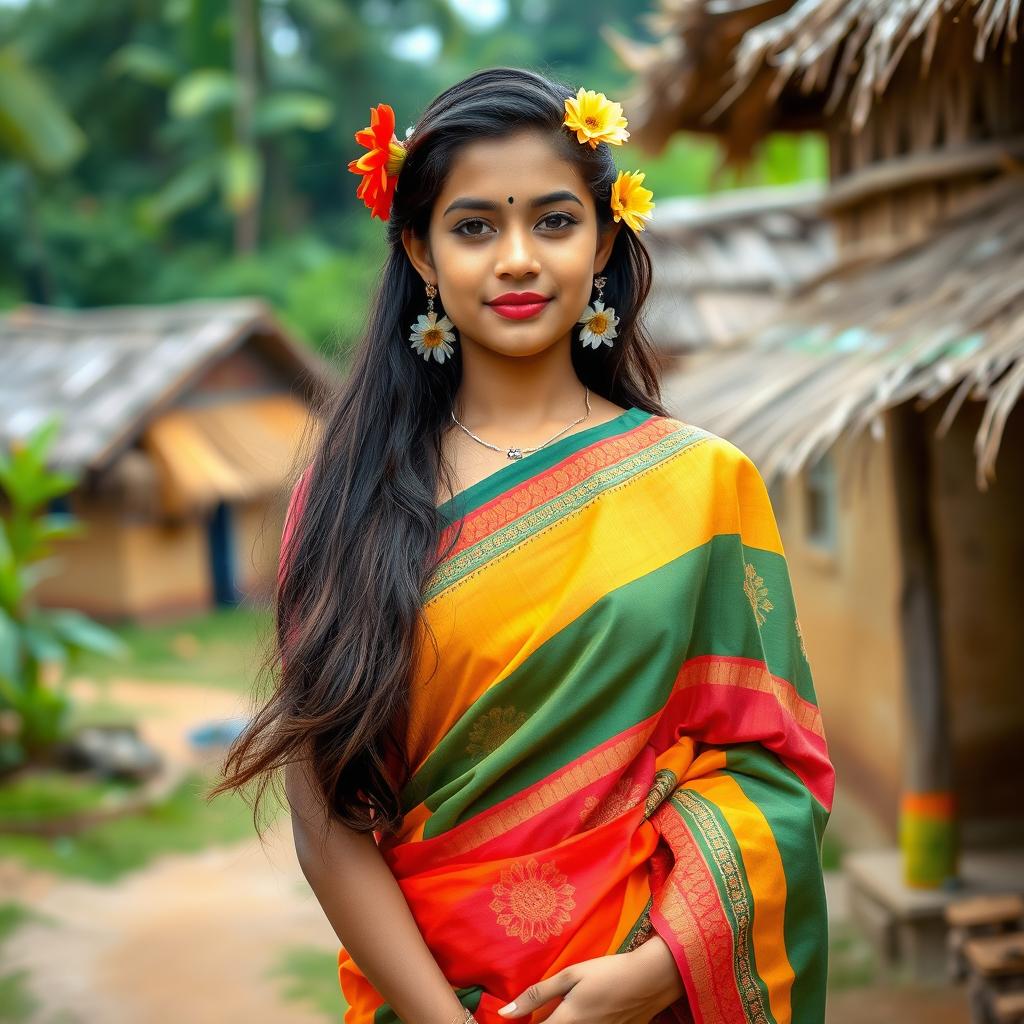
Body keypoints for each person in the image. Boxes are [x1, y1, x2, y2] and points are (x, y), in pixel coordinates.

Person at [212, 66, 834, 1024]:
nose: (517, 258)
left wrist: (661, 970)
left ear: (604, 238)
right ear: (419, 251)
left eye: (553, 220)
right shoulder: (345, 505)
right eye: (473, 227)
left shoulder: (703, 485)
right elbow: (327, 819)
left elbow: (776, 770)